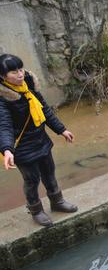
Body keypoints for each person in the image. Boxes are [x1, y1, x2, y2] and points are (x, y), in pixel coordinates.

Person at [0, 54, 77, 227]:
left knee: (49, 171)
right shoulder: (2, 98)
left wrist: (61, 129)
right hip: (21, 147)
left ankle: (57, 201)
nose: (20, 74)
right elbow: (3, 125)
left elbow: (45, 110)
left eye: (20, 69)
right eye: (14, 72)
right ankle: (36, 211)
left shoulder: (28, 84)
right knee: (32, 179)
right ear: (3, 76)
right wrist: (6, 149)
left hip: (40, 139)